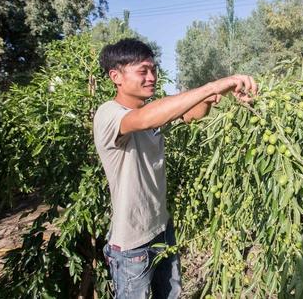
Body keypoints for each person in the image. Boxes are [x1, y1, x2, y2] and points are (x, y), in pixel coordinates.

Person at [93, 38, 257, 299]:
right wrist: (211, 86)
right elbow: (146, 119)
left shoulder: (149, 110)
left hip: (161, 228)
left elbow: (190, 115)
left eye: (153, 69)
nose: (151, 77)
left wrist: (213, 96)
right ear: (116, 76)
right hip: (131, 244)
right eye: (142, 71)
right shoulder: (109, 113)